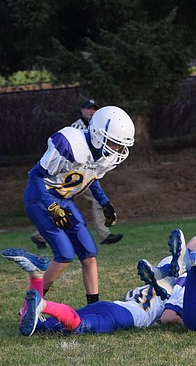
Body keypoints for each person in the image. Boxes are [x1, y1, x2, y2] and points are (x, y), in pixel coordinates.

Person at [23, 104, 134, 305]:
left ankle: (94, 306)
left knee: (89, 254)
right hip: (40, 198)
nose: (116, 149)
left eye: (119, 145)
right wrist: (52, 207)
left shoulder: (103, 155)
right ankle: (32, 303)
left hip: (64, 200)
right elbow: (35, 176)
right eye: (113, 143)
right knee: (64, 255)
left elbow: (90, 176)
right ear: (98, 134)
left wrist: (104, 202)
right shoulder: (71, 144)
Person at [2, 248, 166, 336]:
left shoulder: (161, 278)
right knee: (78, 326)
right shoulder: (178, 288)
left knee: (39, 327)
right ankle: (43, 304)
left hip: (111, 306)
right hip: (124, 316)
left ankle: (36, 276)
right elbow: (170, 317)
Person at [31, 98, 123, 248]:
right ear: (82, 111)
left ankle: (104, 233)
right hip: (74, 172)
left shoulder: (101, 128)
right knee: (63, 202)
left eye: (94, 109)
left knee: (92, 200)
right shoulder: (76, 127)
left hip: (86, 172)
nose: (91, 111)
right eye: (88, 109)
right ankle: (41, 234)